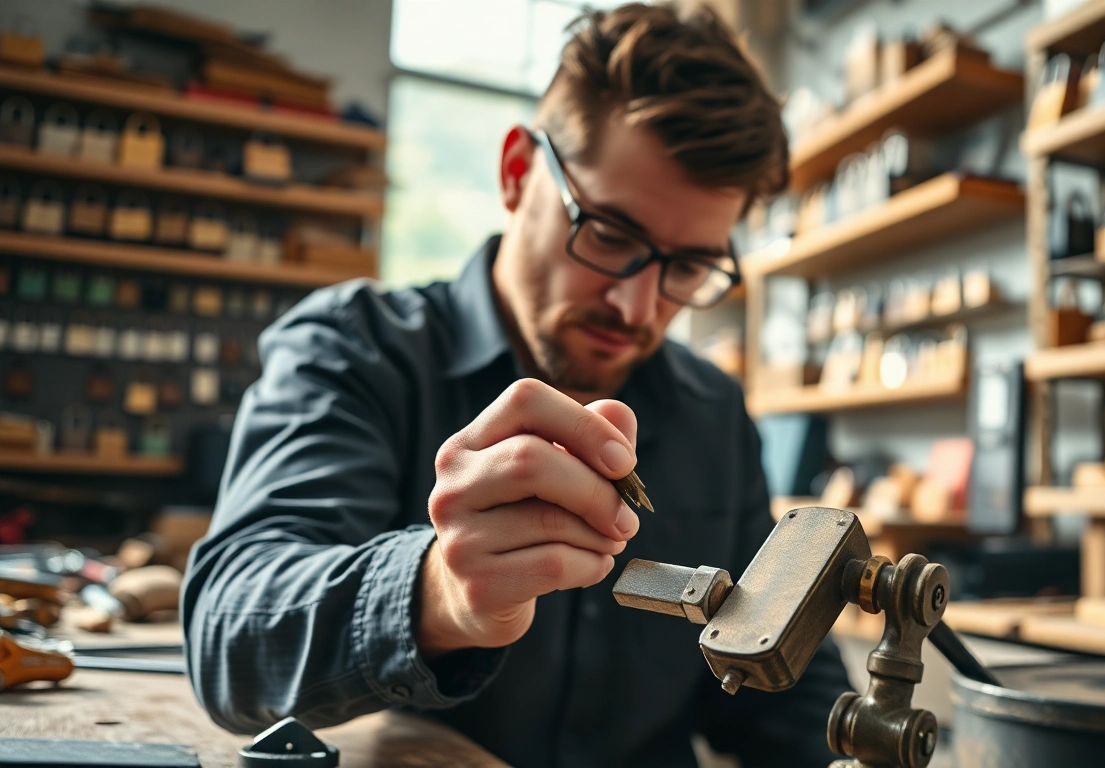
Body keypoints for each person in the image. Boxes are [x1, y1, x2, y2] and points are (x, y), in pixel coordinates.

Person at [182, 4, 852, 766]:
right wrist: (438, 595)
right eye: (607, 233)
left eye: (689, 267)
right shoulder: (352, 349)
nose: (638, 308)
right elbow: (229, 642)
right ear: (515, 173)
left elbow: (779, 692)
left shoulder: (714, 411)